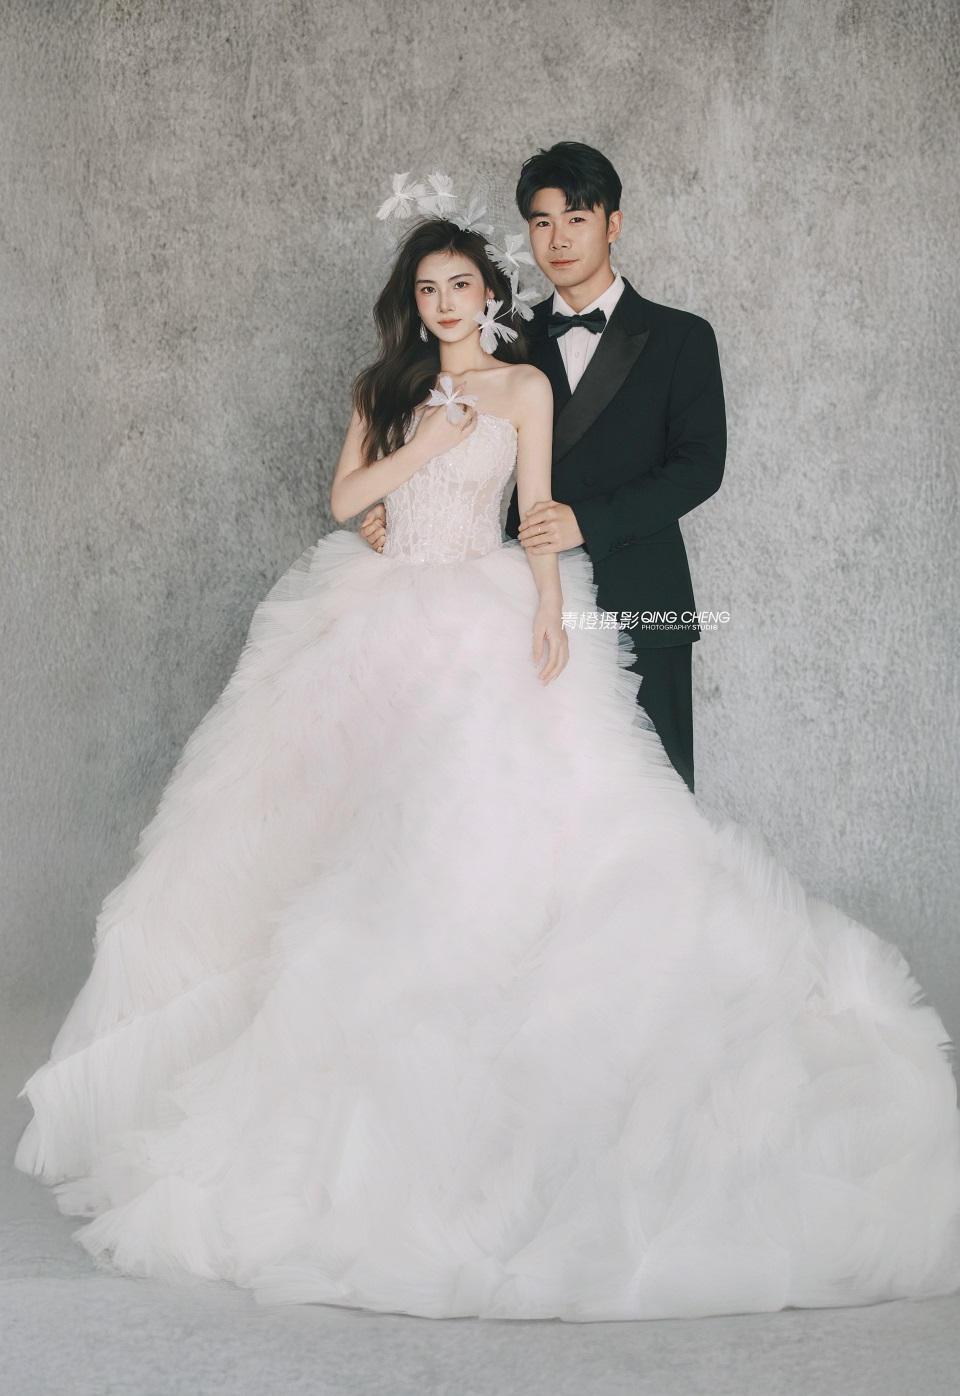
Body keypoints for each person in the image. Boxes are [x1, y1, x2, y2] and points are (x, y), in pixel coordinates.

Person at [14, 203, 960, 1324]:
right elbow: (346, 501)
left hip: (481, 605)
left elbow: (539, 506)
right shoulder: (384, 390)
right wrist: (414, 455)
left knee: (489, 823)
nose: (445, 304)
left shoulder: (523, 389)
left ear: (491, 296)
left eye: (460, 285)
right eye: (427, 291)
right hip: (376, 617)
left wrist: (551, 609)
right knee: (335, 829)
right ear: (412, 307)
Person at [362, 142, 725, 794]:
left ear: (614, 224)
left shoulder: (682, 337)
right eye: (541, 221)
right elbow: (445, 430)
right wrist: (403, 509)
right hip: (517, 601)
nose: (557, 239)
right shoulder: (505, 335)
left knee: (653, 801)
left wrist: (587, 522)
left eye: (576, 219)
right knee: (527, 802)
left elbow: (700, 467)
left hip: (641, 595)